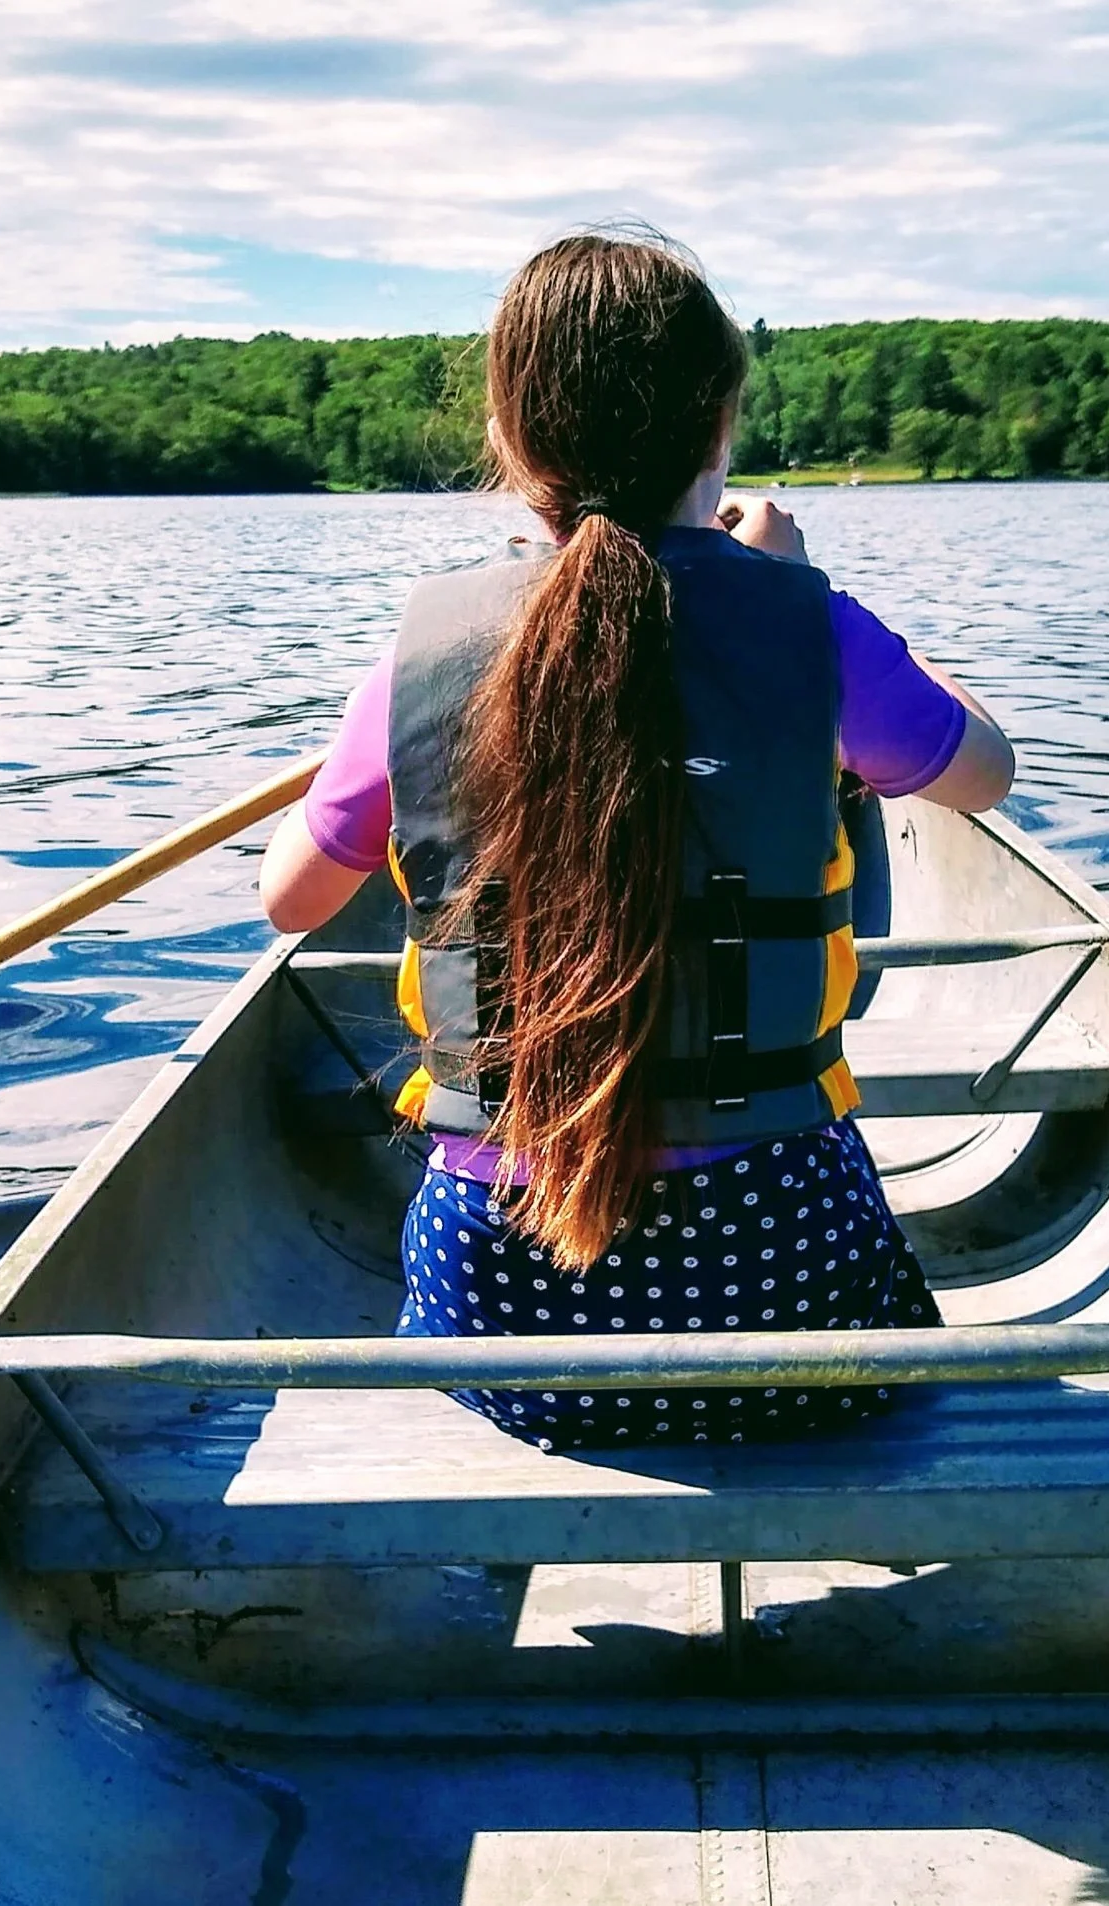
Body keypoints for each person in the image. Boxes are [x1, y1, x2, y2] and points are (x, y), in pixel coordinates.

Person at [260, 233, 1013, 1451]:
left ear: (509, 441)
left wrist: (378, 728)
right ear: (720, 428)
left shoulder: (423, 655)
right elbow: (986, 773)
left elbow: (290, 901)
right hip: (781, 1278)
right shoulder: (807, 627)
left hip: (503, 1310)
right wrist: (807, 599)